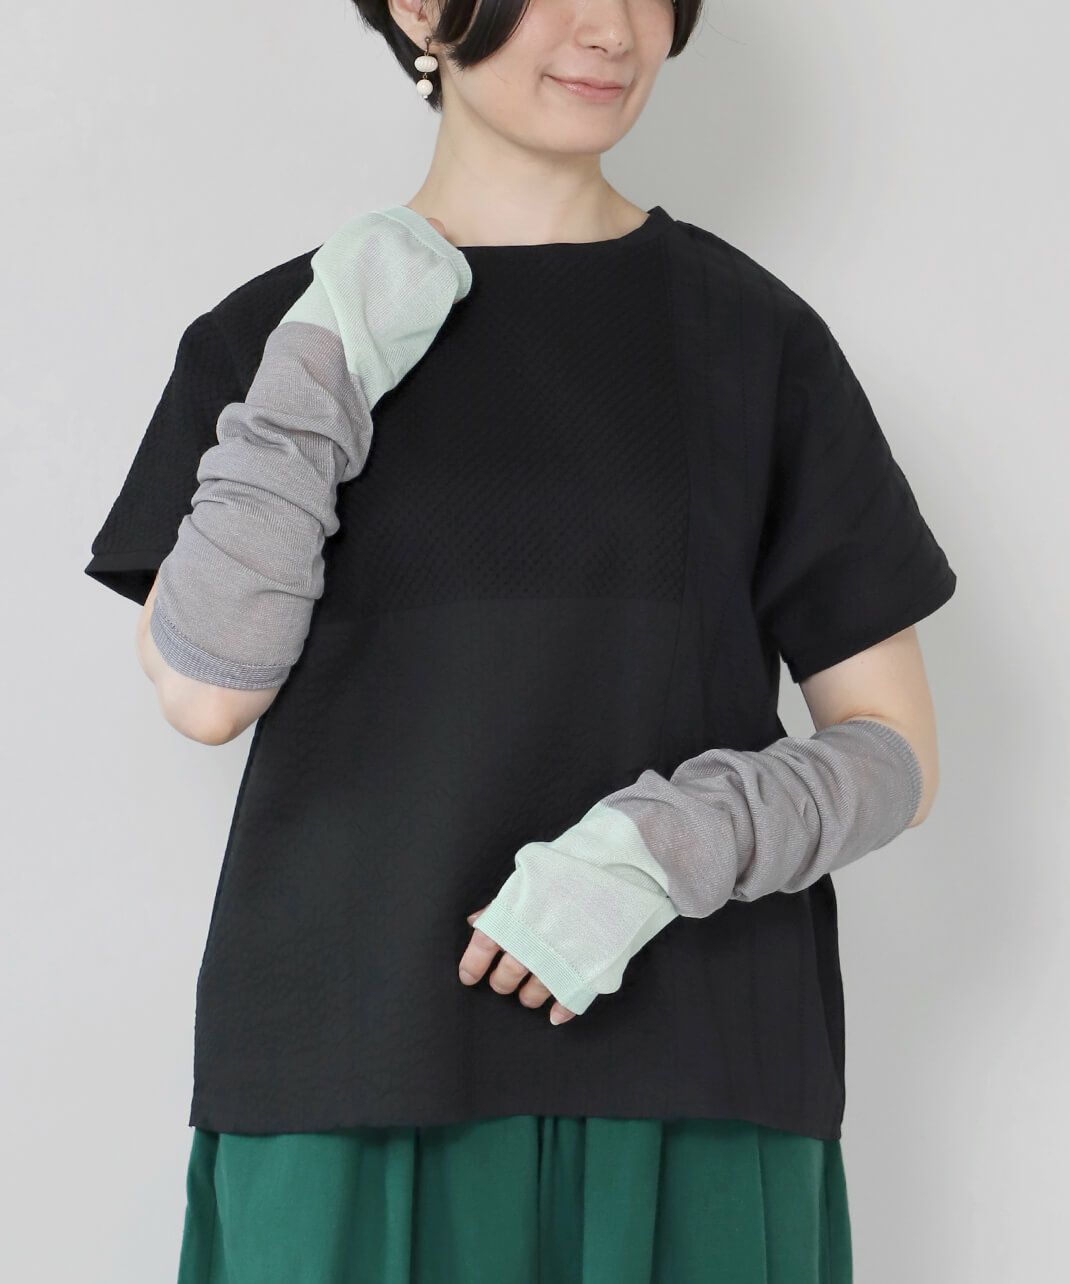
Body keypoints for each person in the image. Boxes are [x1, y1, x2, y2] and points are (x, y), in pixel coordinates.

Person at [84, 1, 958, 1280]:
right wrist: (324, 365)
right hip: (349, 1064)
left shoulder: (755, 339)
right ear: (420, 8)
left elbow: (895, 754)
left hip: (694, 1073)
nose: (608, 28)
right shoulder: (276, 332)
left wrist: (669, 847)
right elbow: (208, 689)